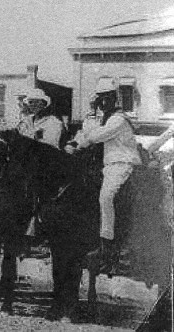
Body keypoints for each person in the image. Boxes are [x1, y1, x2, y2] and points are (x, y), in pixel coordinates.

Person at [68, 86, 141, 272]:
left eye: (107, 99)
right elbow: (88, 133)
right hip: (108, 165)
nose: (103, 103)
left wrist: (79, 142)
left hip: (121, 163)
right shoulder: (105, 119)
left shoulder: (118, 119)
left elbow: (97, 135)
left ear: (114, 100)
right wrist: (76, 143)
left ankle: (107, 247)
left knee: (106, 197)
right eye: (100, 99)